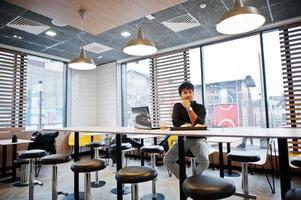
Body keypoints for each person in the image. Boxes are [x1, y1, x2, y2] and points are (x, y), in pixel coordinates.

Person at [163, 81, 210, 179]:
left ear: (193, 93)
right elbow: (176, 123)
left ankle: (193, 180)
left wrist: (189, 108)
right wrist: (191, 124)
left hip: (199, 139)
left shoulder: (200, 107)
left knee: (204, 162)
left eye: (190, 92)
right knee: (167, 159)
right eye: (185, 92)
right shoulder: (177, 106)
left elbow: (199, 124)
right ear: (180, 95)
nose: (188, 94)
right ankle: (184, 180)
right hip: (183, 140)